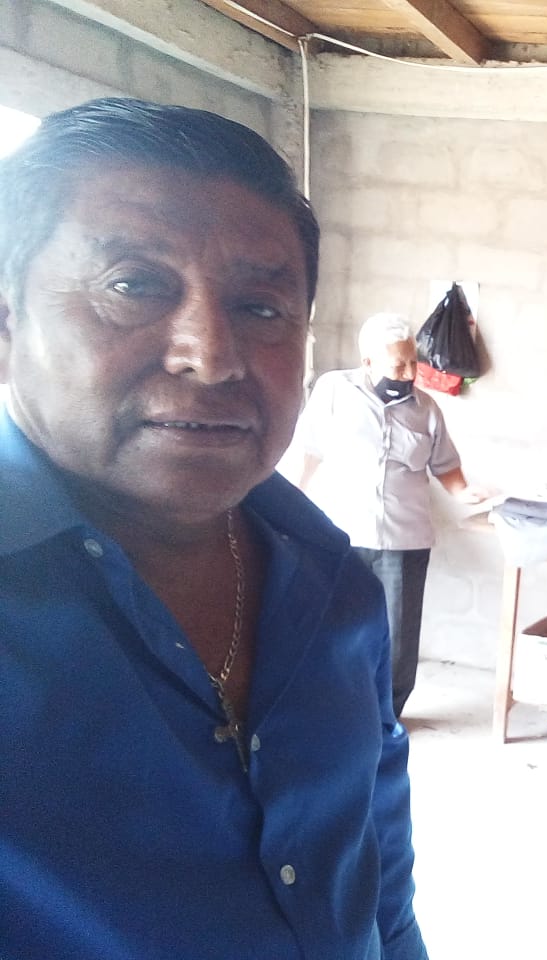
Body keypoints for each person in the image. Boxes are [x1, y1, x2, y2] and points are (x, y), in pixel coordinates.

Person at [0, 98, 427, 960]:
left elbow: (379, 869)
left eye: (261, 308)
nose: (212, 354)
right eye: (133, 286)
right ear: (9, 322)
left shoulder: (337, 591)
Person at [294, 312, 477, 718]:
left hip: (404, 541)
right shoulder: (334, 391)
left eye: (413, 362)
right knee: (335, 627)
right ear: (368, 362)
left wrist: (467, 493)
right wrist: (291, 504)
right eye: (399, 365)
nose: (409, 373)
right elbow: (309, 450)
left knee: (398, 639)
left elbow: (446, 467)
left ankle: (387, 718)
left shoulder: (426, 409)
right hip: (341, 534)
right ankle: (335, 713)